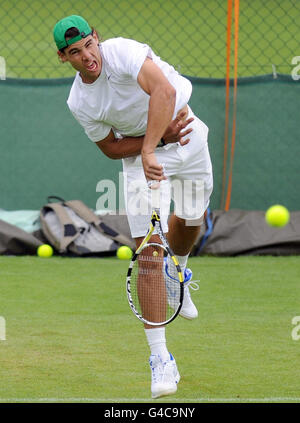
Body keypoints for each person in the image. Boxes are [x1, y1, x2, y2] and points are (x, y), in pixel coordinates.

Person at [53, 15, 213, 399]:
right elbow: (109, 147)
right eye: (75, 52)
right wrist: (150, 146)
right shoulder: (79, 101)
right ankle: (160, 359)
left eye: (89, 45)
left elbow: (164, 93)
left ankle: (180, 275)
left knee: (192, 221)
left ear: (98, 39)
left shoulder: (123, 51)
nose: (87, 56)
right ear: (64, 58)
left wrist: (148, 145)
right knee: (148, 253)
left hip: (188, 137)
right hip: (143, 159)